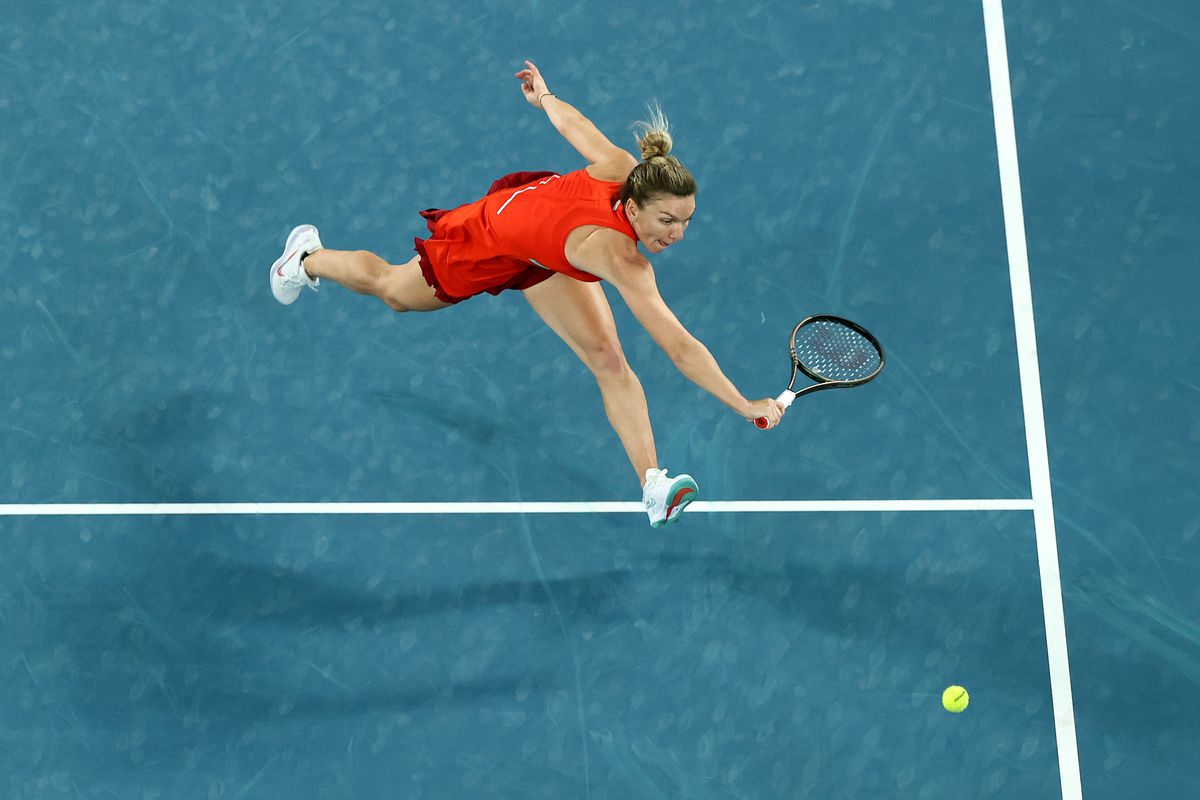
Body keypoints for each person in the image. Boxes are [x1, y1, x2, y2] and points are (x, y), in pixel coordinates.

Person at [268, 60, 785, 527]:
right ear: (633, 208)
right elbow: (679, 347)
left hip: (546, 254)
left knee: (608, 359)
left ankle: (653, 484)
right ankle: (306, 258)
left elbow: (574, 127)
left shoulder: (629, 171)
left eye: (687, 221)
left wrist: (547, 98)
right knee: (394, 291)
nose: (675, 233)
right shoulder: (622, 258)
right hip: (489, 239)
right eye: (666, 220)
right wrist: (743, 405)